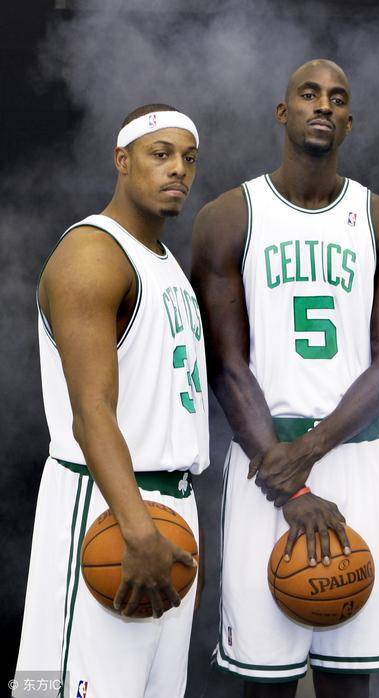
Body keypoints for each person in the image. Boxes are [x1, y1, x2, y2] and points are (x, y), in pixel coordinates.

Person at [191, 59, 379, 697]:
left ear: (350, 121)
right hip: (263, 457)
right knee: (266, 678)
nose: (323, 105)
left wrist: (309, 451)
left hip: (354, 455)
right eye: (309, 94)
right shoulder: (229, 216)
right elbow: (225, 362)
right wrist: (286, 480)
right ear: (283, 112)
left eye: (337, 99)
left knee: (350, 677)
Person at [13, 104, 209, 698]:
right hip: (104, 508)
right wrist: (138, 528)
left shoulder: (165, 264)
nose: (178, 169)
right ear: (122, 160)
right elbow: (90, 410)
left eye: (189, 158)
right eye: (160, 154)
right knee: (60, 688)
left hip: (168, 508)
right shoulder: (92, 254)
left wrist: (171, 527)